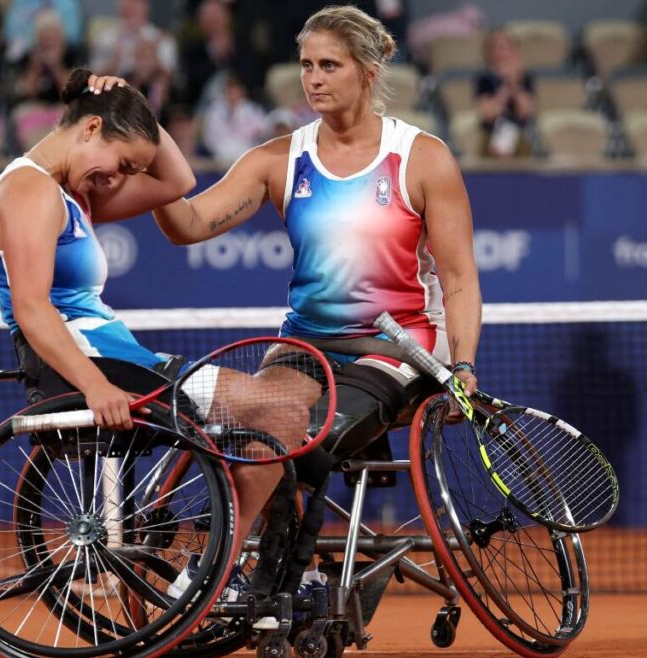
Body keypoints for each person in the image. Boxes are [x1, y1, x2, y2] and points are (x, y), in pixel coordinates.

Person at [154, 5, 481, 516]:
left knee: (303, 439)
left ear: (367, 72)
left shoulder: (422, 158)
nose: (313, 79)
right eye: (307, 65)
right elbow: (189, 225)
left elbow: (459, 278)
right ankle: (274, 575)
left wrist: (463, 366)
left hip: (397, 345)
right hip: (308, 343)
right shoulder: (278, 160)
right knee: (263, 432)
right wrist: (149, 150)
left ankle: (268, 569)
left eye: (330, 66)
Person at [0, 67, 313, 564]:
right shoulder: (30, 192)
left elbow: (178, 181)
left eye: (128, 171)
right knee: (280, 412)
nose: (117, 179)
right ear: (90, 128)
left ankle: (254, 568)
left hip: (120, 360)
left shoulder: (70, 194)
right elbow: (31, 309)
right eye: (120, 164)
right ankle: (219, 569)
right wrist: (94, 385)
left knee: (278, 422)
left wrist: (134, 105)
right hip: (97, 365)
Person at [475, 26, 535, 158]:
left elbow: (525, 110)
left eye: (506, 47)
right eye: (497, 47)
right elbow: (489, 113)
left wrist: (514, 83)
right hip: (491, 139)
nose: (502, 53)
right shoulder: (484, 78)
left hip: (519, 138)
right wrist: (505, 88)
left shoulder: (524, 78)